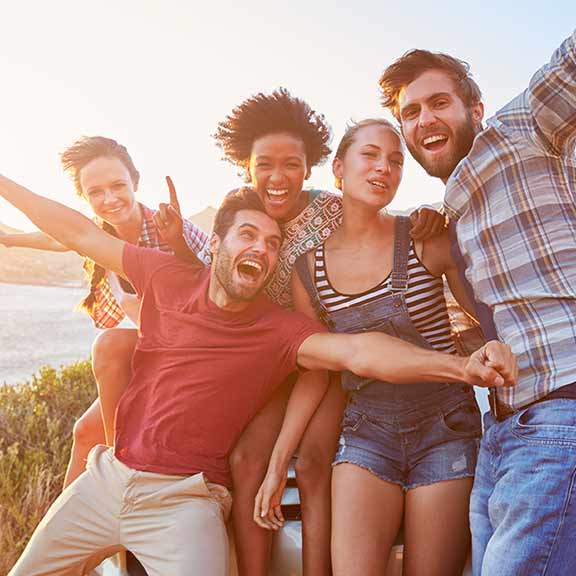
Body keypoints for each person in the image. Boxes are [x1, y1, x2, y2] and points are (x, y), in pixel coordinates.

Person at [0, 179, 515, 575]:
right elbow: (78, 232)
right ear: (218, 242)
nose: (262, 250)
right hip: (108, 479)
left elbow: (361, 351)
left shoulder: (277, 330)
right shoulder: (163, 275)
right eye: (249, 235)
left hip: (185, 500)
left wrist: (460, 367)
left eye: (272, 244)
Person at [213, 88, 446, 576]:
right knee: (246, 459)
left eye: (292, 164)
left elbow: (379, 224)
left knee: (316, 458)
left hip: (334, 358)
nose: (279, 178)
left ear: (314, 166)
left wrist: (424, 217)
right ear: (246, 167)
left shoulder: (331, 209)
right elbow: (206, 266)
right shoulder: (243, 218)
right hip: (277, 366)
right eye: (265, 165)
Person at [378, 30, 576, 575]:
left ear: (477, 108)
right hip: (504, 433)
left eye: (439, 102)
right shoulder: (449, 217)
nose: (425, 120)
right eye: (411, 112)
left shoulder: (525, 129)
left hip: (563, 411)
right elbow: (472, 338)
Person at [254, 118, 486, 576]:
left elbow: (486, 312)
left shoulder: (424, 236)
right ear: (338, 169)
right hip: (367, 432)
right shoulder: (308, 270)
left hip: (446, 426)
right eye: (371, 156)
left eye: (396, 161)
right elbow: (317, 370)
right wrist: (278, 462)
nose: (385, 168)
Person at [0, 136, 210, 488]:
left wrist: (180, 246)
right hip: (155, 351)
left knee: (111, 345)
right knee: (84, 433)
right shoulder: (98, 235)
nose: (110, 199)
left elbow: (218, 287)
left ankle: (118, 467)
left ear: (136, 183)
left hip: (195, 355)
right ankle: (70, 538)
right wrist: (9, 239)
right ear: (83, 199)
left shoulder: (169, 228)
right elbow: (57, 237)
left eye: (118, 186)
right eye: (96, 192)